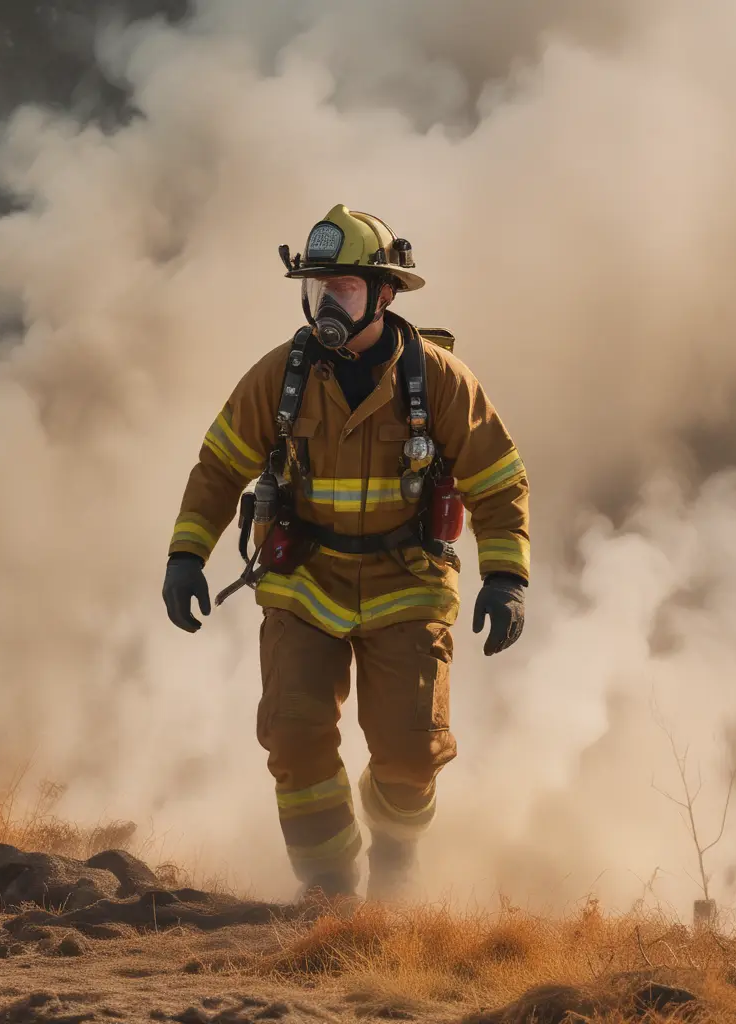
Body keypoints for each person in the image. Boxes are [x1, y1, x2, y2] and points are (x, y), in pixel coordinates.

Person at [163, 205, 530, 900]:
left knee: (412, 753)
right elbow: (218, 467)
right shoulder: (282, 376)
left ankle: (395, 854)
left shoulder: (440, 380)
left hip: (408, 581)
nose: (326, 304)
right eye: (317, 289)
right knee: (293, 734)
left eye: (344, 289)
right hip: (305, 580)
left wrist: (506, 576)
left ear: (385, 294)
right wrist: (186, 555)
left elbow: (498, 477)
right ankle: (328, 890)